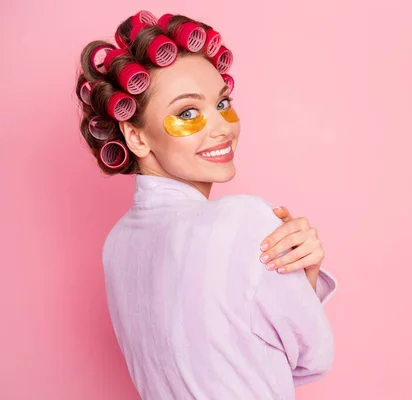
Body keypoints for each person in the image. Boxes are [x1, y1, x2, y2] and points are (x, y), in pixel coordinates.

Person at [74, 10, 337, 400]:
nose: (223, 126)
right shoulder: (243, 220)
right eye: (188, 113)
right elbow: (314, 358)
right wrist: (304, 282)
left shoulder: (116, 245)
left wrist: (304, 274)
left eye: (223, 102)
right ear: (135, 135)